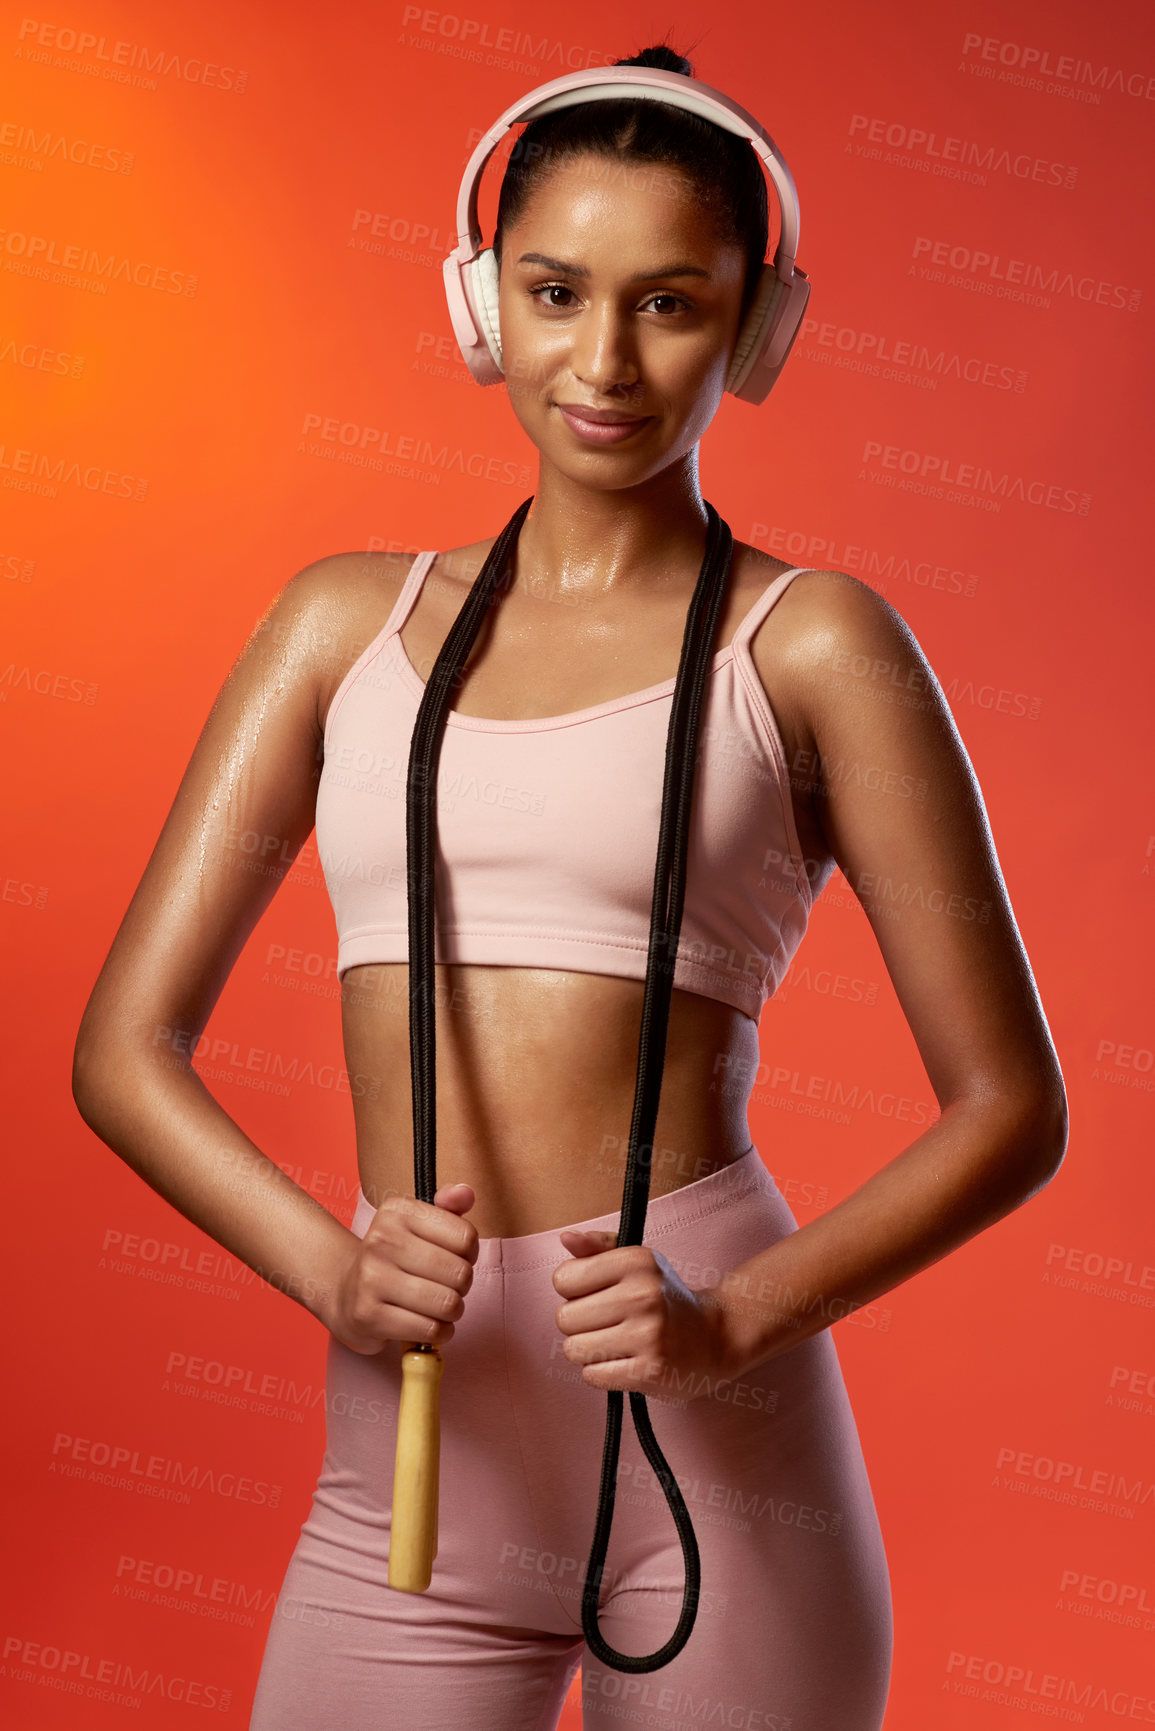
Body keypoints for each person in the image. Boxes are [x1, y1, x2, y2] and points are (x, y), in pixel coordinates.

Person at [72, 39, 1068, 1731]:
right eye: (555, 291)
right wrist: (329, 1272)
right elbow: (123, 1050)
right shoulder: (342, 631)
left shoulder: (813, 645)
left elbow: (1011, 1110)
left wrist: (732, 1321)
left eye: (671, 303)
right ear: (483, 307)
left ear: (756, 329)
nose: (603, 359)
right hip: (415, 1453)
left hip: (714, 1462)